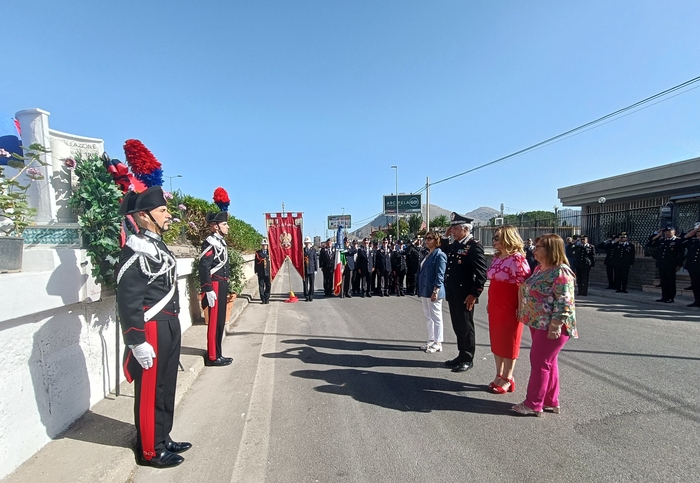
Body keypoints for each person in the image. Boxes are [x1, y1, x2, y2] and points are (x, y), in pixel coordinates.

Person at [116, 187, 191, 468]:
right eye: (162, 211)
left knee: (166, 385)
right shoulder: (136, 249)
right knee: (150, 390)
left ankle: (163, 436)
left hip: (169, 323)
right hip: (151, 328)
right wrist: (136, 340)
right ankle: (150, 449)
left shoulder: (157, 245)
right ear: (145, 217)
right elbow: (129, 299)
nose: (168, 214)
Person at [512, 234, 577, 417]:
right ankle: (550, 400)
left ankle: (533, 403)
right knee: (549, 362)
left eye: (538, 246)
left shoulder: (561, 272)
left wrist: (555, 325)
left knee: (540, 362)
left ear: (550, 249)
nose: (534, 249)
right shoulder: (540, 269)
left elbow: (565, 303)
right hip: (538, 323)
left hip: (552, 325)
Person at [487, 225, 531, 394]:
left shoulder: (517, 258)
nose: (494, 241)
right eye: (494, 237)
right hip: (495, 303)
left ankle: (508, 377)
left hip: (510, 304)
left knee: (510, 341)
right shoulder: (497, 257)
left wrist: (521, 308)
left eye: (497, 237)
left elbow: (523, 286)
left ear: (508, 238)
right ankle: (498, 374)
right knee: (497, 340)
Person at [441, 213, 488, 373]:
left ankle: (468, 358)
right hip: (453, 292)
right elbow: (444, 249)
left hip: (465, 294)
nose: (452, 231)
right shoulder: (456, 244)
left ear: (465, 229)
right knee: (458, 325)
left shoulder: (473, 246)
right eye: (452, 228)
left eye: (455, 228)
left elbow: (481, 273)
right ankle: (461, 355)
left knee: (466, 326)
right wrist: (445, 236)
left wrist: (474, 294)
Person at [198, 205, 233, 367]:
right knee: (214, 322)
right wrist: (208, 288)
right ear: (215, 226)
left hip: (222, 285)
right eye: (224, 224)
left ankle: (218, 353)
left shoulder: (220, 242)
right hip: (215, 286)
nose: (227, 227)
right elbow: (204, 267)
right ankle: (212, 356)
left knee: (220, 322)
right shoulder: (210, 242)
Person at [417, 231, 447, 353]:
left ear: (436, 240)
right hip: (425, 290)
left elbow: (440, 274)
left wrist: (436, 290)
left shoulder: (440, 255)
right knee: (428, 316)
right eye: (426, 238)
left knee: (436, 316)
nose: (427, 240)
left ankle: (438, 342)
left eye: (430, 238)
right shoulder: (427, 254)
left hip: (433, 290)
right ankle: (431, 340)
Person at [648, 227, 684, 303]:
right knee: (663, 281)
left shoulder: (678, 241)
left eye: (669, 231)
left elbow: (681, 254)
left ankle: (671, 297)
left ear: (674, 232)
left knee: (670, 281)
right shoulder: (662, 240)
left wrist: (679, 265)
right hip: (662, 264)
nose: (667, 233)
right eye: (666, 232)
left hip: (671, 265)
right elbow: (650, 243)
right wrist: (657, 235)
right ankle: (664, 297)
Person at [682, 223, 700, 307]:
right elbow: (679, 243)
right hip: (693, 267)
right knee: (695, 284)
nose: (699, 233)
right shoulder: (693, 241)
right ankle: (697, 301)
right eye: (698, 232)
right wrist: (687, 235)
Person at [255, 238, 271, 304]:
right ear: (261, 245)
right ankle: (262, 299)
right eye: (263, 245)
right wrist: (256, 271)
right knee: (261, 285)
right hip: (261, 272)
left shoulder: (270, 253)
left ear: (267, 246)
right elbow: (256, 262)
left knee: (268, 285)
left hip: (268, 272)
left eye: (265, 245)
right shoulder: (258, 253)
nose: (264, 246)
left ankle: (267, 298)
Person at [302, 236, 318, 301]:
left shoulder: (313, 250)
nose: (307, 244)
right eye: (306, 243)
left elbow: (315, 260)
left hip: (311, 269)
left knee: (312, 283)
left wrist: (316, 269)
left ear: (310, 243)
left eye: (308, 243)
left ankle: (311, 294)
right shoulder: (302, 250)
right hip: (304, 269)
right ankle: (306, 295)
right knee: (305, 283)